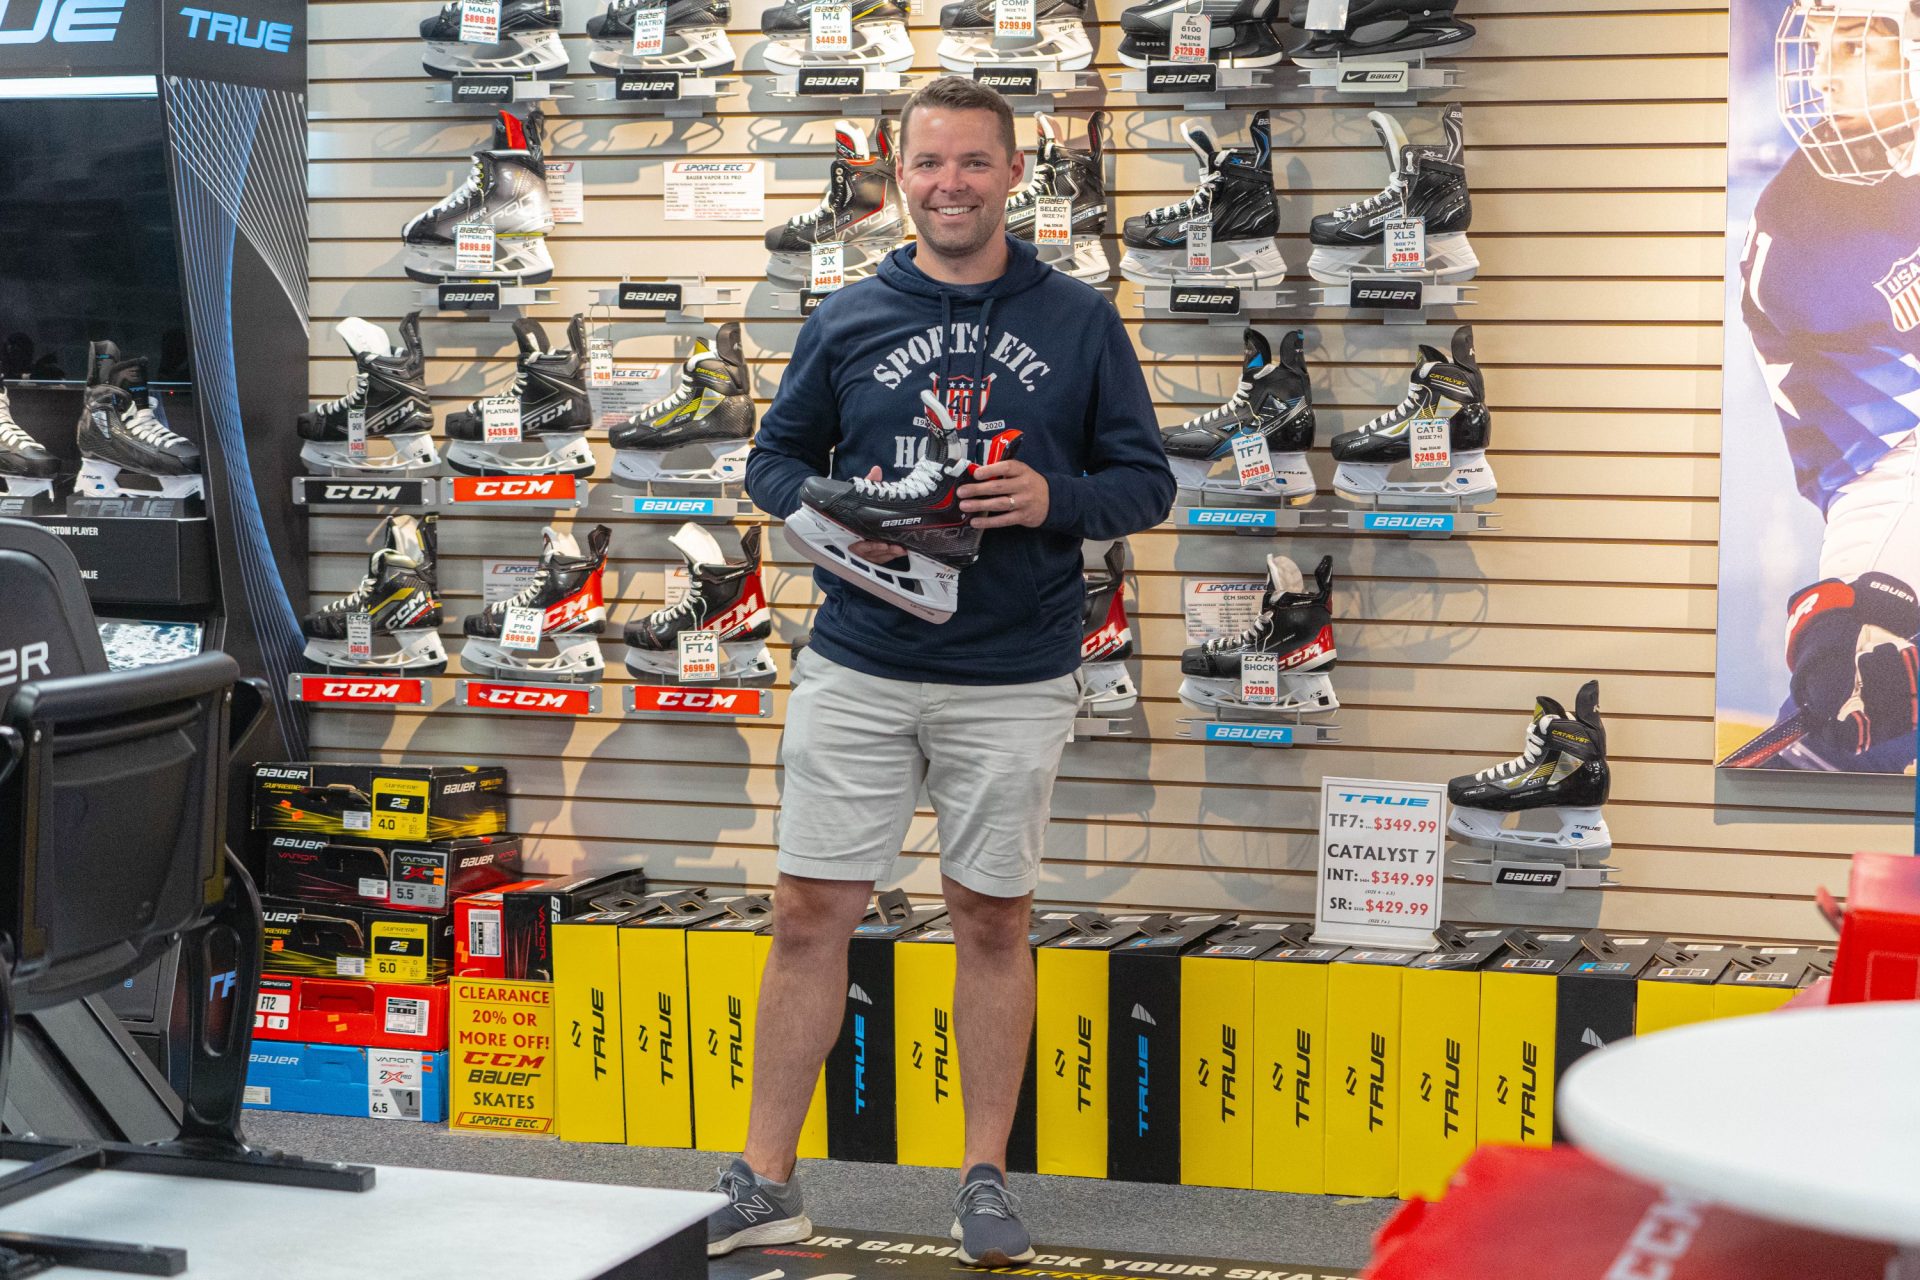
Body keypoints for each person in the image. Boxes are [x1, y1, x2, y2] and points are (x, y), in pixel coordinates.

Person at [707, 77, 1174, 1266]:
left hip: (1013, 672)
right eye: (928, 163)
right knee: (807, 912)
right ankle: (765, 1183)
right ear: (899, 176)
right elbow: (771, 461)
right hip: (860, 662)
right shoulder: (848, 314)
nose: (949, 184)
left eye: (973, 162)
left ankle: (981, 1179)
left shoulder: (1080, 318)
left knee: (993, 917)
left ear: (1013, 173)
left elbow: (1146, 482)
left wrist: (1052, 497)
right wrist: (837, 514)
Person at [1730, 0, 1919, 770]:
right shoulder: (1805, 227)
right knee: (1850, 718)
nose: (1825, 76)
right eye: (1822, 48)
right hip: (1892, 478)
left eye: (1855, 49)